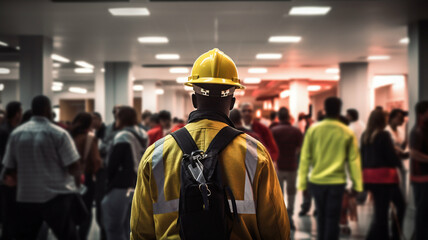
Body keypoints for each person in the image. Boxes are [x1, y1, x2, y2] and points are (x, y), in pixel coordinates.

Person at [130, 48, 290, 239]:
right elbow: (277, 230)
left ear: (194, 100)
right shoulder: (256, 154)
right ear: (231, 102)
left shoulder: (155, 154)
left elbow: (140, 231)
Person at [2, 95, 81, 239]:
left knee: (26, 236)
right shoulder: (59, 134)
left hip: (27, 196)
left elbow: (10, 167)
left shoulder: (16, 134)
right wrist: (77, 185)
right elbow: (74, 166)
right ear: (48, 109)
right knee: (68, 236)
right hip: (57, 196)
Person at [297, 97, 363, 240]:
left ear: (325, 110)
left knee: (321, 216)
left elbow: (305, 158)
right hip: (337, 183)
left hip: (316, 182)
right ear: (339, 111)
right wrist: (357, 185)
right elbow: (354, 160)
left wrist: (302, 184)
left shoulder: (313, 130)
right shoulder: (346, 131)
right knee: (333, 218)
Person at [102, 106, 148, 240]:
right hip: (137, 182)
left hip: (120, 185)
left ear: (121, 118)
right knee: (129, 226)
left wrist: (108, 183)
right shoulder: (143, 134)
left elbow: (113, 164)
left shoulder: (122, 136)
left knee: (114, 227)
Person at [360, 109, 405, 240]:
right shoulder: (384, 135)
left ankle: (376, 236)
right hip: (385, 178)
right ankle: (391, 235)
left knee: (380, 209)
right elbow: (390, 156)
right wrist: (399, 162)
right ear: (381, 120)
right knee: (399, 205)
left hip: (370, 177)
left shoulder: (365, 135)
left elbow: (363, 157)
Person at [70, 112, 102, 240]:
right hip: (86, 178)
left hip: (69, 178)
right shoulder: (89, 137)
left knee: (72, 210)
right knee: (86, 212)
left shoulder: (69, 136)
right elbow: (96, 161)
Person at [271, 107, 303, 230]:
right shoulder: (296, 131)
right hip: (292, 165)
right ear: (289, 117)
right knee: (291, 193)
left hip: (277, 166)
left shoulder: (273, 130)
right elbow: (300, 148)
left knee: (279, 193)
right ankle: (290, 217)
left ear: (279, 117)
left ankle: (280, 218)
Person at [0, 101, 22, 240]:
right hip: (8, 178)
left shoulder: (11, 130)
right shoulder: (5, 131)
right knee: (9, 215)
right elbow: (4, 157)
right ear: (17, 113)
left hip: (12, 177)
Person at [409, 101, 428, 240]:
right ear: (422, 114)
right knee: (422, 212)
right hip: (421, 178)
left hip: (424, 177)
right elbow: (413, 153)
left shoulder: (423, 130)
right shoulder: (417, 131)